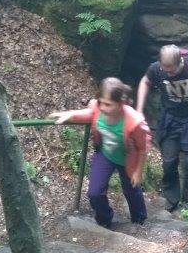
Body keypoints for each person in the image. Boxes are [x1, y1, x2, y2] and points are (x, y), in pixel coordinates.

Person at [50, 78, 150, 227]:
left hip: (128, 160)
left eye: (108, 104)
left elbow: (143, 148)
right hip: (106, 154)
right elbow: (90, 113)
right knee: (95, 193)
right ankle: (105, 219)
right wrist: (70, 115)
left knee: (131, 190)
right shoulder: (98, 108)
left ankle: (139, 220)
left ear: (121, 103)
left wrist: (138, 171)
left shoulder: (135, 122)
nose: (102, 107)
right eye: (100, 102)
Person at [136, 44, 188, 211]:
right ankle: (171, 199)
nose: (169, 74)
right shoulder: (156, 69)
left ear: (180, 61)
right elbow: (145, 81)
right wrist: (139, 110)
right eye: (165, 70)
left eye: (172, 71)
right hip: (170, 119)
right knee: (169, 162)